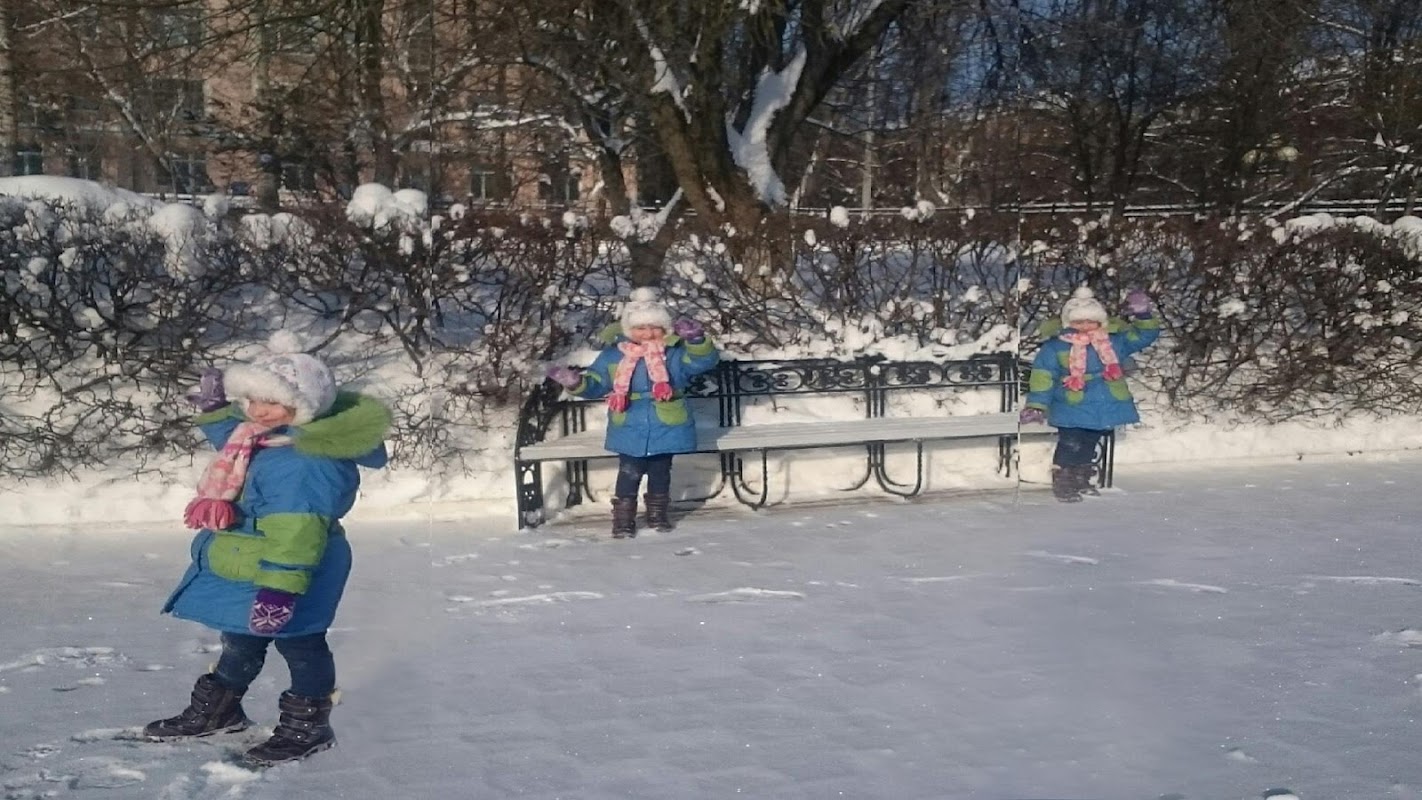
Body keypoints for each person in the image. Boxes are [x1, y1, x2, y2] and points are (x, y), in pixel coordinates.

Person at [143, 331, 391, 767]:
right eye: (254, 399)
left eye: (273, 402)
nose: (259, 410)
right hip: (256, 560)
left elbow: (297, 534)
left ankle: (308, 725)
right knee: (240, 638)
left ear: (305, 406)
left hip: (292, 568)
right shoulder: (265, 438)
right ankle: (220, 711)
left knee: (301, 643)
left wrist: (280, 591)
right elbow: (235, 442)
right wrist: (215, 412)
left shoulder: (303, 464)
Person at [546, 287, 720, 538]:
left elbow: (701, 362)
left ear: (665, 328)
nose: (648, 334)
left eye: (654, 328)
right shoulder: (613, 356)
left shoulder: (673, 353)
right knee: (629, 471)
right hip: (629, 421)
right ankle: (623, 518)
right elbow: (596, 382)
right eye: (640, 328)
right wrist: (576, 383)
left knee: (661, 471)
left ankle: (657, 514)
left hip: (666, 422)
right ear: (629, 329)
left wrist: (696, 342)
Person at [1019, 287, 1160, 502]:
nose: (1084, 326)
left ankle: (1082, 479)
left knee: (1090, 441)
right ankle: (1064, 481)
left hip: (1102, 401)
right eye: (1078, 322)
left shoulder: (1113, 341)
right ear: (1068, 322)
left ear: (1100, 321)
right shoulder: (1057, 346)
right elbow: (1043, 375)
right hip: (1071, 401)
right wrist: (1037, 404)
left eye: (1090, 321)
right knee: (1071, 442)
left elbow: (1143, 336)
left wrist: (1143, 315)